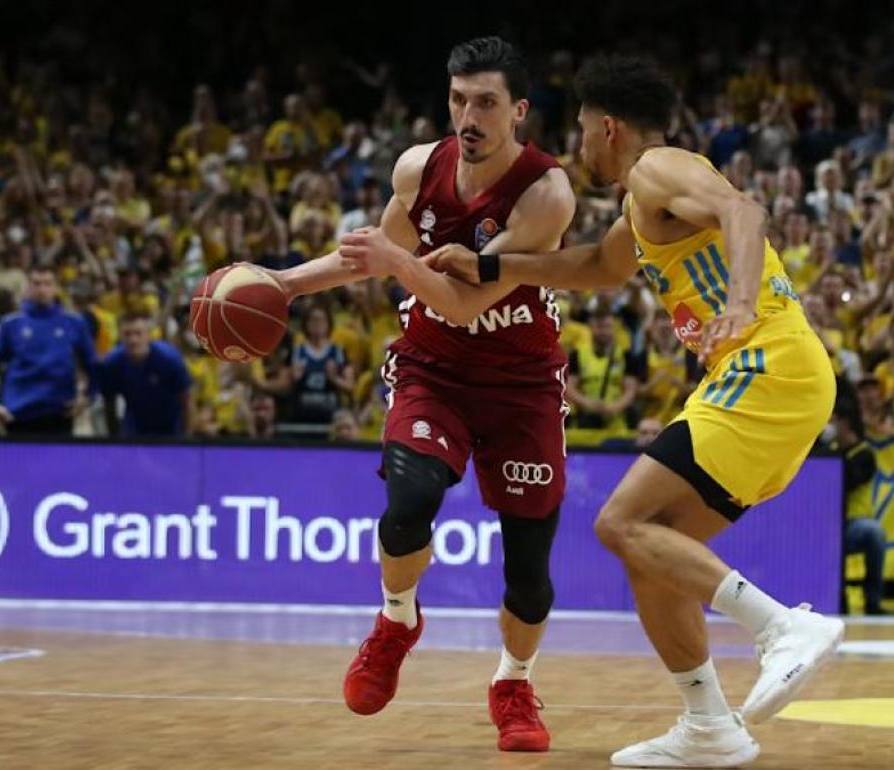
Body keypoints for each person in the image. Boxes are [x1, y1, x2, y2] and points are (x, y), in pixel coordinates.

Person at [348, 53, 842, 767]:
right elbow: (593, 269)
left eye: (581, 127)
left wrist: (738, 303)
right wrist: (489, 265)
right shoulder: (642, 209)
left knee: (620, 521)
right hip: (769, 380)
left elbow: (744, 210)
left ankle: (780, 631)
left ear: (607, 127)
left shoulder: (657, 169)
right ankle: (709, 725)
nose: (577, 142)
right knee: (652, 551)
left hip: (768, 364)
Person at [270, 38, 576, 753]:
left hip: (522, 386)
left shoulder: (544, 193)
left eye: (486, 103)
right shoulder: (420, 166)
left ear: (518, 111)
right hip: (433, 370)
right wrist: (282, 283)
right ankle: (396, 619)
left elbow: (466, 301)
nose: (468, 116)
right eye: (458, 99)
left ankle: (513, 683)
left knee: (528, 575)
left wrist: (395, 259)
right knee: (408, 505)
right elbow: (369, 255)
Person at [0, 264, 96, 435]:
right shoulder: (11, 324)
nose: (42, 289)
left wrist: (87, 398)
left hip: (59, 412)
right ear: (28, 288)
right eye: (36, 283)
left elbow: (93, 366)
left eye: (47, 284)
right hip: (18, 412)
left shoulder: (75, 323)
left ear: (56, 288)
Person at [830, 396, 886, 614]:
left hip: (853, 523)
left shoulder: (864, 454)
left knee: (874, 533)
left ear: (845, 422)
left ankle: (872, 600)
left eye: (833, 421)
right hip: (827, 522)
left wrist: (836, 452)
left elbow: (849, 481)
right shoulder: (828, 450)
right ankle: (836, 599)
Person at [98, 313, 193, 437]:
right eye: (127, 334)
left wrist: (187, 441)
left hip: (170, 424)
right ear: (120, 336)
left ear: (148, 336)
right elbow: (109, 403)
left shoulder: (169, 359)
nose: (133, 340)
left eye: (138, 333)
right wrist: (115, 439)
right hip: (135, 425)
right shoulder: (112, 363)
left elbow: (187, 401)